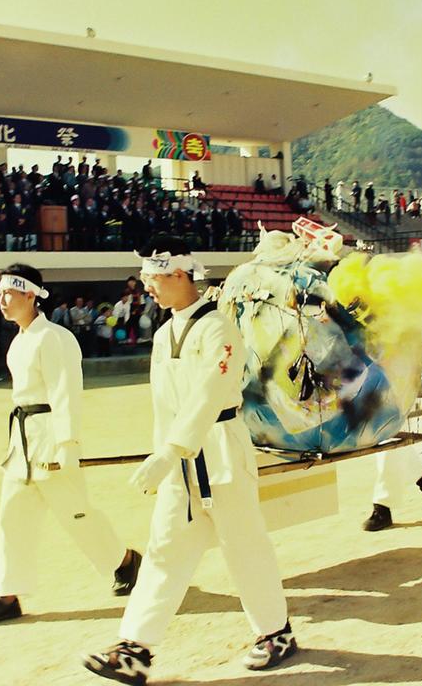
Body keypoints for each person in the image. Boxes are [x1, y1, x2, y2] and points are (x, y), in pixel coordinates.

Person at [84, 236, 297, 685]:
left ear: (179, 274)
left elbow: (210, 394)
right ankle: (134, 648)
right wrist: (164, 453)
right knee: (164, 550)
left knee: (244, 546)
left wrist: (170, 450)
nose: (148, 287)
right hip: (180, 463)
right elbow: (167, 404)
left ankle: (275, 632)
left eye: (153, 277)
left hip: (219, 449)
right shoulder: (164, 333)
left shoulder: (219, 328)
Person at [0, 264, 141, 628]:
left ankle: (125, 561)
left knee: (77, 515)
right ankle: (7, 594)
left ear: (30, 295)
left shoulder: (55, 337)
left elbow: (66, 393)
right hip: (23, 442)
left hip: (50, 436)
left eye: (9, 294)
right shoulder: (19, 340)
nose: (1, 301)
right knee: (11, 516)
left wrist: (68, 444)